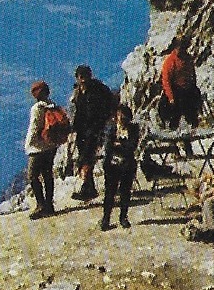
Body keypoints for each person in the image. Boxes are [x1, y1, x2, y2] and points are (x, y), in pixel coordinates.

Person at [69, 65, 115, 202]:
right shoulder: (77, 93)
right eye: (80, 77)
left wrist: (103, 122)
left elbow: (108, 105)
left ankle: (86, 188)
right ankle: (89, 188)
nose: (83, 80)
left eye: (85, 77)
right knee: (84, 157)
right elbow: (77, 112)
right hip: (82, 130)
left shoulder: (98, 90)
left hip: (95, 129)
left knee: (86, 158)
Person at [25, 81, 63, 218]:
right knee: (47, 175)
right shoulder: (53, 106)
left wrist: (29, 144)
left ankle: (40, 205)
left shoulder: (37, 108)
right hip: (51, 146)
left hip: (37, 148)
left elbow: (35, 127)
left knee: (32, 176)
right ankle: (49, 205)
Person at [100, 104, 140, 231]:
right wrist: (121, 146)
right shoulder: (110, 128)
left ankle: (123, 217)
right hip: (112, 165)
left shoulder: (133, 129)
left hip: (127, 165)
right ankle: (106, 219)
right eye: (120, 115)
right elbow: (108, 147)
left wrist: (119, 144)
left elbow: (132, 146)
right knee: (110, 193)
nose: (122, 118)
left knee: (125, 192)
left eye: (124, 115)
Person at [159, 38, 203, 130]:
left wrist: (193, 88)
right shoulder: (170, 61)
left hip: (187, 89)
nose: (180, 50)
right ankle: (173, 128)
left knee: (194, 102)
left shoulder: (188, 59)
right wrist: (171, 97)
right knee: (175, 108)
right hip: (175, 90)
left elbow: (192, 75)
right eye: (178, 48)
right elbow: (166, 81)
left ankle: (194, 125)